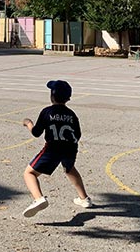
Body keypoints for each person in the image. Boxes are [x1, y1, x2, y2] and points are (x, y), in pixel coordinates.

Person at [21, 80, 92, 217]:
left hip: (53, 148)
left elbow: (36, 133)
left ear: (52, 96)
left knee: (29, 173)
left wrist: (28, 123)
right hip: (70, 147)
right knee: (70, 169)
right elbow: (78, 134)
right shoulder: (72, 114)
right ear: (68, 98)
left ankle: (38, 199)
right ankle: (84, 199)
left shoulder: (47, 112)